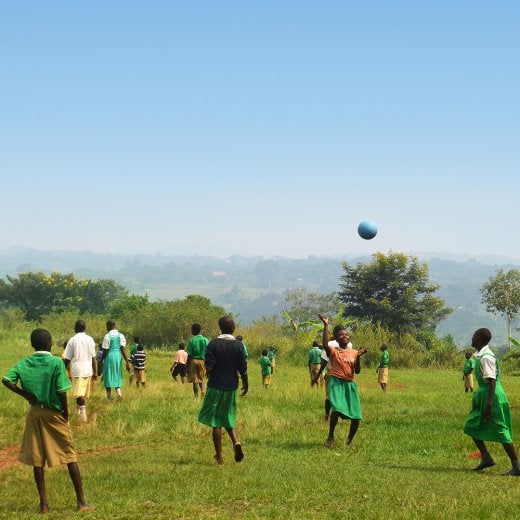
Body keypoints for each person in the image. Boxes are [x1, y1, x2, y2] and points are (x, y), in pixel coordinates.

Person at [2, 328, 95, 513]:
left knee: (37, 459)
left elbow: (6, 380)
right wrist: (65, 414)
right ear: (48, 343)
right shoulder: (55, 362)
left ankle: (43, 504)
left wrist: (26, 394)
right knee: (70, 454)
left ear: (32, 344)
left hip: (35, 413)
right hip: (53, 412)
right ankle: (82, 502)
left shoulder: (24, 362)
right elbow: (61, 391)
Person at [463, 328, 520, 476]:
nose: (472, 338)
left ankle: (517, 466)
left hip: (492, 396)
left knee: (500, 429)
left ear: (480, 338)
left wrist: (489, 404)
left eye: (474, 336)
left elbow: (492, 381)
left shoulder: (486, 357)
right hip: (485, 395)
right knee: (472, 424)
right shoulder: (480, 356)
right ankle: (486, 457)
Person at [198, 316, 248, 464]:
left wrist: (209, 371)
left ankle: (219, 456)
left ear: (220, 328)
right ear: (233, 328)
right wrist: (246, 384)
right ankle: (236, 442)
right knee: (227, 416)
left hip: (215, 386)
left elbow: (210, 366)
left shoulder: (213, 344)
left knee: (216, 422)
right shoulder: (239, 346)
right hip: (231, 387)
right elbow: (243, 369)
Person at [318, 314, 367, 447]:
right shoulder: (334, 351)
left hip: (350, 384)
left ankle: (349, 441)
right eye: (341, 335)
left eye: (346, 334)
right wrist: (326, 324)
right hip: (336, 382)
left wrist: (359, 357)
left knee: (357, 416)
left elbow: (357, 371)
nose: (345, 336)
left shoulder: (354, 352)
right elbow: (325, 344)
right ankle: (330, 436)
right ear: (336, 339)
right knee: (337, 409)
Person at [62, 320, 97, 422]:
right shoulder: (90, 339)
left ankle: (83, 417)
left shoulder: (72, 340)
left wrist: (61, 368)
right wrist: (95, 371)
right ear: (85, 328)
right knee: (80, 393)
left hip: (78, 370)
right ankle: (77, 413)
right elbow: (93, 357)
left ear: (75, 328)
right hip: (88, 370)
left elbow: (67, 358)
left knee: (80, 394)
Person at [99, 320, 131, 401]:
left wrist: (100, 360)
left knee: (108, 375)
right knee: (117, 374)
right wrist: (127, 362)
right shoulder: (121, 335)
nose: (106, 328)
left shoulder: (107, 336)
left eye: (107, 326)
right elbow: (123, 350)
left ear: (109, 326)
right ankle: (119, 393)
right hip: (117, 356)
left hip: (109, 357)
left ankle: (109, 397)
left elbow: (105, 350)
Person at [186, 323, 209, 397]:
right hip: (202, 361)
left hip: (193, 360)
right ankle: (202, 390)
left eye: (192, 330)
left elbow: (189, 354)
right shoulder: (206, 340)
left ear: (194, 330)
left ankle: (196, 395)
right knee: (201, 378)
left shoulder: (192, 340)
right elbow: (208, 352)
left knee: (194, 380)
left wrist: (187, 364)